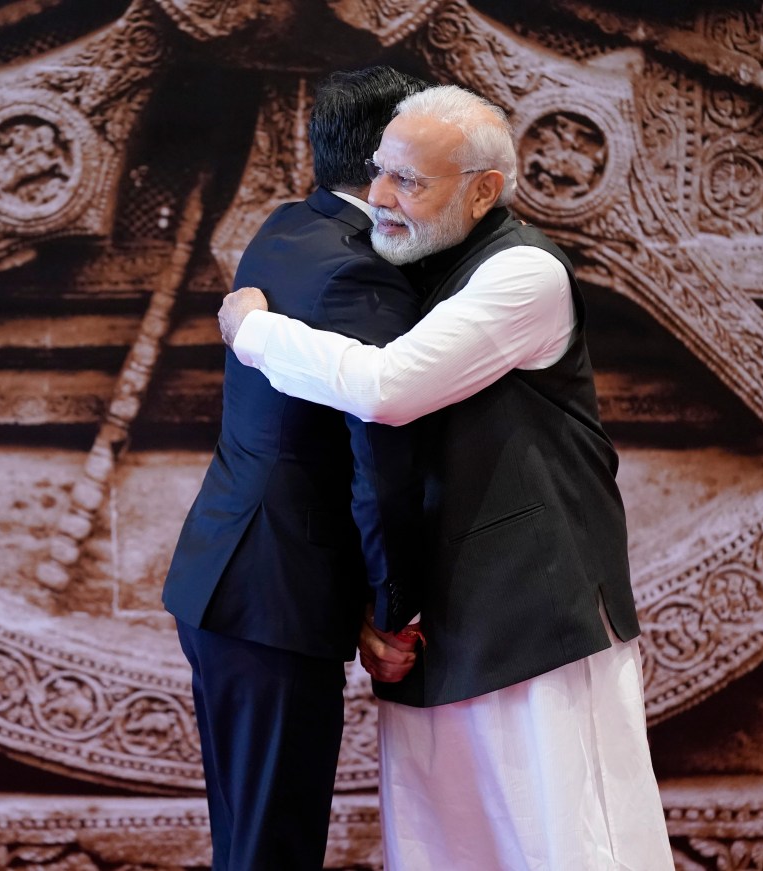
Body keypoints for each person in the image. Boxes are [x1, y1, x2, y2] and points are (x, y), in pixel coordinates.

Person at [218, 84, 675, 870]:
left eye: (410, 181)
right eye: (381, 173)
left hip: (538, 614)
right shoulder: (425, 258)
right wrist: (382, 603)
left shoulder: (524, 273)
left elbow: (387, 389)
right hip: (446, 619)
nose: (382, 199)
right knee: (446, 847)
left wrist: (252, 329)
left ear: (484, 190)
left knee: (564, 842)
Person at [161, 66, 428, 871]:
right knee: (272, 849)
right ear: (389, 160)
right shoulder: (363, 271)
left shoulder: (287, 225)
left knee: (249, 843)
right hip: (274, 597)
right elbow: (374, 453)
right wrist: (391, 605)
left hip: (231, 578)